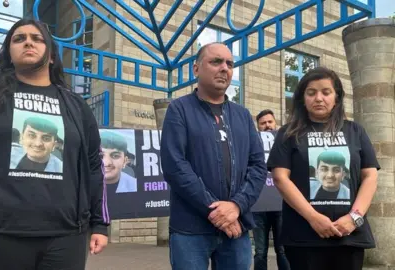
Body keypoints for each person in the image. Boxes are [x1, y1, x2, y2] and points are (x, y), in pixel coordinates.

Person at [0, 19, 109, 270]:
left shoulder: (77, 106)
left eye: (36, 38)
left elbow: (95, 165)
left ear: (51, 56)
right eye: (19, 39)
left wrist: (100, 223)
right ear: (9, 53)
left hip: (66, 238)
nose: (28, 41)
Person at [160, 42, 267, 270]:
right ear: (196, 69)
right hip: (190, 229)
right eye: (216, 61)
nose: (224, 68)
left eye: (229, 63)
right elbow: (175, 166)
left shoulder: (243, 116)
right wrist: (217, 211)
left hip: (237, 227)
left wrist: (236, 206)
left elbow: (258, 167)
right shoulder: (179, 110)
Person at [267, 67, 379, 270]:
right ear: (302, 98)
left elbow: (370, 176)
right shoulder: (288, 133)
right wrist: (314, 218)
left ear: (336, 97)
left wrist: (354, 218)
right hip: (303, 236)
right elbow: (280, 178)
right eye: (311, 93)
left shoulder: (355, 131)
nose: (319, 98)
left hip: (349, 236)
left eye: (326, 92)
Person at [252, 109, 290, 270]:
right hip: (258, 207)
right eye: (263, 123)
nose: (267, 125)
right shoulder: (253, 144)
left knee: (283, 250)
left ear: (275, 123)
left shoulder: (285, 143)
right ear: (258, 127)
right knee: (260, 251)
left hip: (281, 204)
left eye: (270, 122)